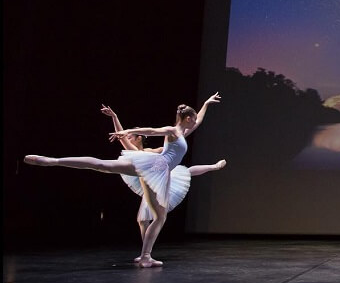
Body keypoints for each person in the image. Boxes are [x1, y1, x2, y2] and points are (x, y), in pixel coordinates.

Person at [25, 92, 222, 268]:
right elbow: (153, 131)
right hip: (157, 169)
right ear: (187, 118)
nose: (195, 122)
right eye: (193, 118)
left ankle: (53, 161)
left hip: (155, 168)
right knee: (160, 217)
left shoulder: (182, 133)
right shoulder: (173, 131)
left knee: (103, 165)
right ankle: (145, 256)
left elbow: (198, 121)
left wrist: (206, 103)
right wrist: (129, 132)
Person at [101, 104, 226, 262]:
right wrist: (114, 117)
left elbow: (192, 125)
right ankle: (146, 253)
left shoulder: (152, 151)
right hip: (149, 181)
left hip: (158, 179)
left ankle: (146, 254)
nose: (129, 137)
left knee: (184, 173)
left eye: (133, 135)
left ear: (139, 138)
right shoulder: (134, 152)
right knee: (143, 219)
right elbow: (122, 136)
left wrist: (206, 104)